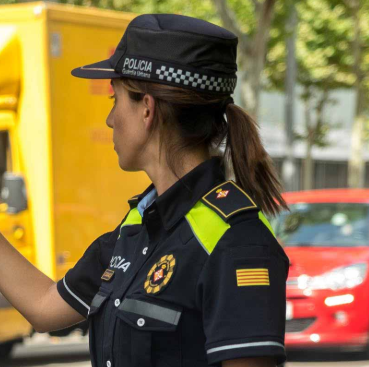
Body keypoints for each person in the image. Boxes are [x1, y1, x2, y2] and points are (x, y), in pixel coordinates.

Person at [0, 13, 290, 367]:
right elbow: (45, 307)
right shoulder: (137, 226)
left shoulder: (237, 243)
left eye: (115, 100)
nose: (109, 119)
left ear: (147, 109)